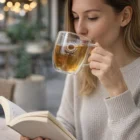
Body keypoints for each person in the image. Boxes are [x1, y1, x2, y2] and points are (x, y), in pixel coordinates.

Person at [21, 0, 140, 139]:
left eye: (92, 17)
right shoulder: (80, 65)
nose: (79, 29)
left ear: (124, 16)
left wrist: (117, 90)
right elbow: (67, 124)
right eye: (76, 17)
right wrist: (47, 136)